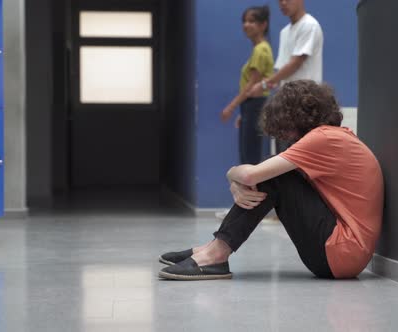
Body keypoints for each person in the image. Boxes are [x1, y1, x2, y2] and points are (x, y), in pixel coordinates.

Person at [158, 80, 384, 281]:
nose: (283, 135)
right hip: (343, 254)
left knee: (276, 176)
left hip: (340, 253)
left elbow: (250, 175)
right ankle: (211, 248)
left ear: (294, 116)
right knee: (274, 171)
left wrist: (232, 174)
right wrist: (238, 183)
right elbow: (252, 175)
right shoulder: (334, 137)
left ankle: (216, 253)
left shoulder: (322, 139)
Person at [248, 0, 324, 154]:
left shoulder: (309, 25)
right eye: (279, 0)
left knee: (301, 157)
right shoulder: (285, 32)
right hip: (286, 105)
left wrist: (263, 84)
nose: (283, 3)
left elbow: (296, 62)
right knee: (284, 156)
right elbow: (282, 71)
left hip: (305, 103)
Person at [220, 5, 275, 165]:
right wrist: (243, 112)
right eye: (244, 21)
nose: (246, 25)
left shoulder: (261, 50)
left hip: (255, 106)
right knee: (249, 153)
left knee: (250, 157)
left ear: (263, 25)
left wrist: (231, 107)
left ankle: (254, 189)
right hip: (251, 107)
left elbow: (251, 85)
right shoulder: (261, 49)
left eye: (251, 21)